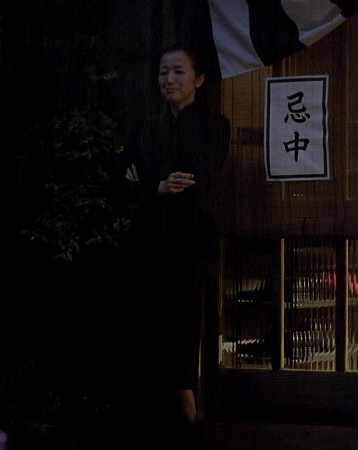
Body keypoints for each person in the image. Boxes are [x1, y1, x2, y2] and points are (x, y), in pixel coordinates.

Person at [122, 43, 230, 447]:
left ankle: (191, 418)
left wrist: (151, 183)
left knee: (184, 329)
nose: (169, 79)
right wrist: (158, 186)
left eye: (179, 72)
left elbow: (201, 181)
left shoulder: (214, 125)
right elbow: (125, 183)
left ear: (198, 79)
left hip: (189, 244)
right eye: (164, 72)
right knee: (148, 332)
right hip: (147, 244)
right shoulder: (147, 126)